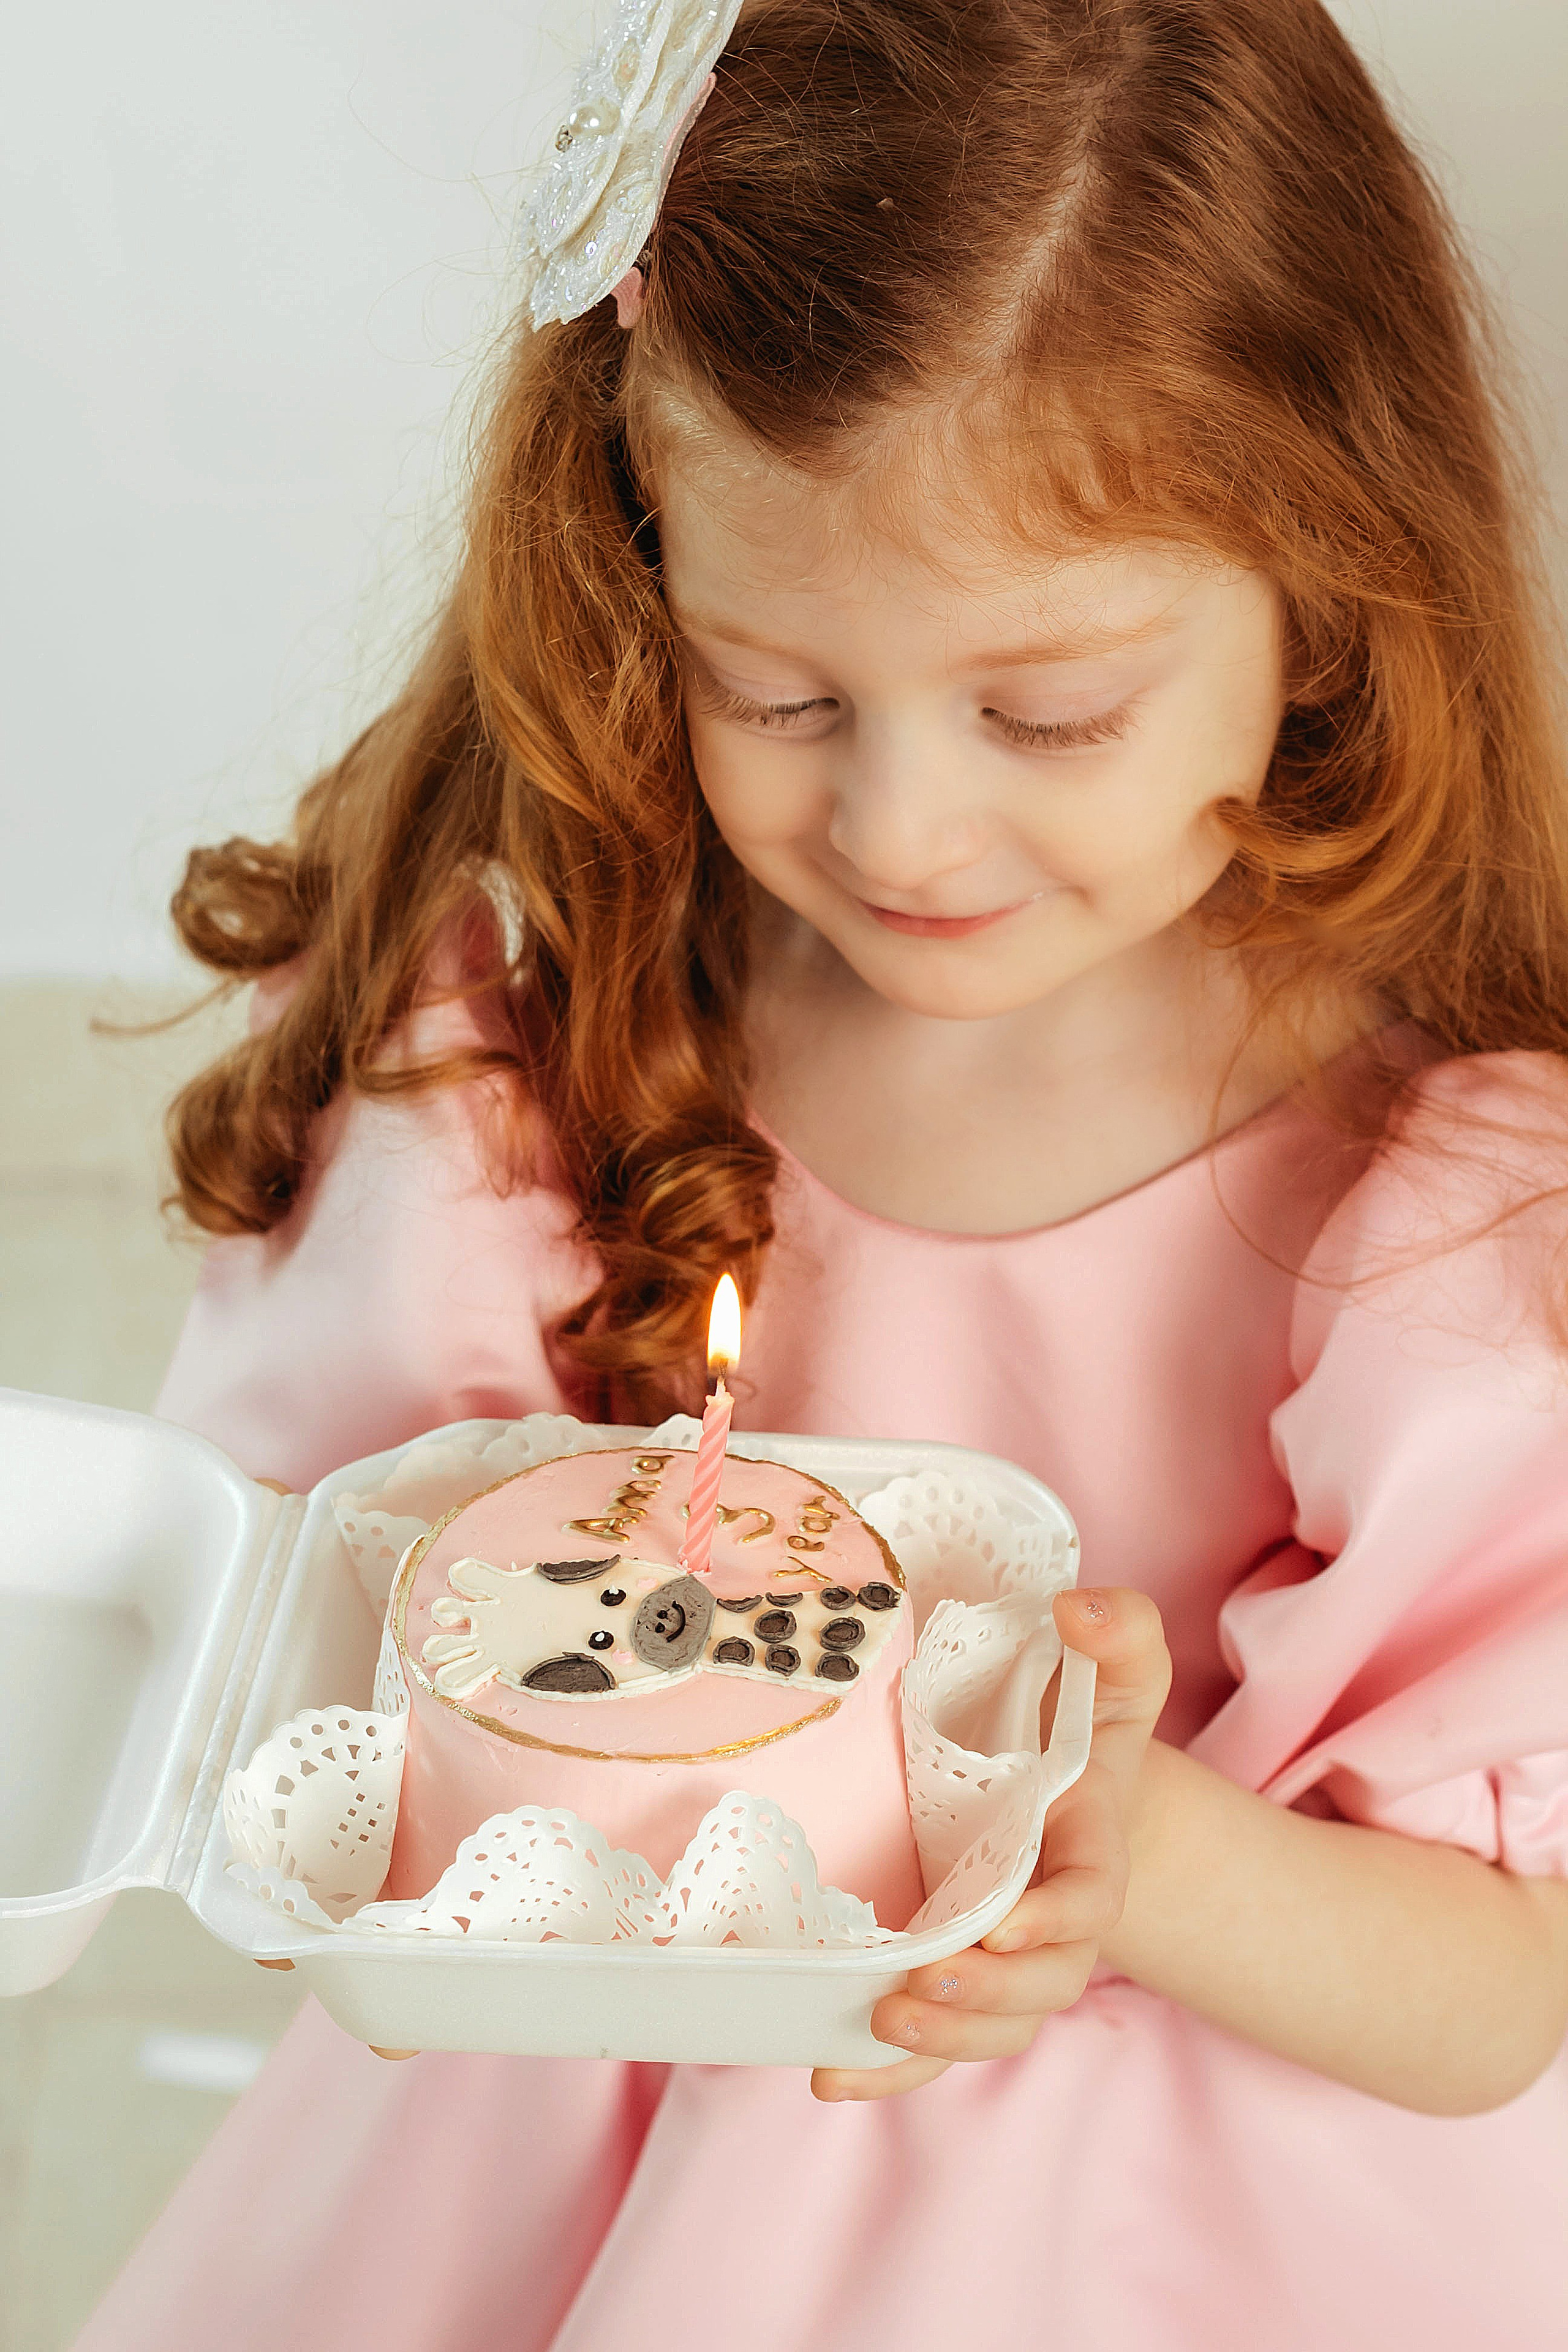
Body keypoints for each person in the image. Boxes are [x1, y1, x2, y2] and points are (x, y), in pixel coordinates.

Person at [77, 1, 1568, 2345]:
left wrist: (1147, 1860)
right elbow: (320, 1654)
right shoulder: (555, 1042)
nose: (897, 828)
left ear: (1328, 602)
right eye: (775, 690)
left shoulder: (1456, 1231)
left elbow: (1496, 2003)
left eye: (1046, 713)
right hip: (562, 2166)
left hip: (1151, 2237)